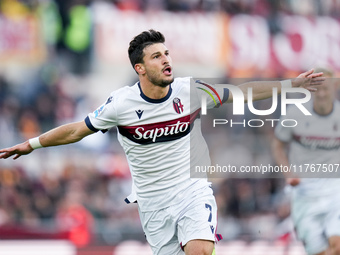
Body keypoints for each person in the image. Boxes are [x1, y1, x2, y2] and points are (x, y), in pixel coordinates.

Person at [0, 29, 324, 255]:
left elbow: (241, 92)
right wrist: (32, 144)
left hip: (191, 191)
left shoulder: (190, 90)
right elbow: (77, 130)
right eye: (157, 56)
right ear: (140, 68)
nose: (167, 60)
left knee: (199, 249)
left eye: (167, 53)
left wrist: (289, 83)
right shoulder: (121, 105)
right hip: (153, 205)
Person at [272, 68, 340, 255]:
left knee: (338, 246)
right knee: (318, 251)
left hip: (335, 191)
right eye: (318, 89)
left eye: (326, 88)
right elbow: (277, 145)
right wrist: (288, 173)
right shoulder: (295, 115)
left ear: (335, 86)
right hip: (304, 192)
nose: (323, 94)